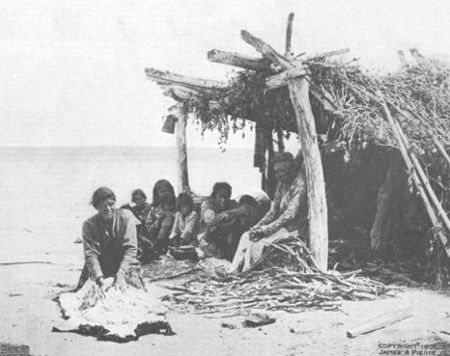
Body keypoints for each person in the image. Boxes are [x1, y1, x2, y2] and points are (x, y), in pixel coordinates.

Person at [230, 152, 307, 273]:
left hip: (294, 229)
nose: (279, 174)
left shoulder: (299, 184)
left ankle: (249, 272)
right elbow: (272, 212)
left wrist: (266, 230)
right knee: (246, 236)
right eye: (276, 171)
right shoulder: (281, 185)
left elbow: (290, 214)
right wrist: (257, 227)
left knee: (257, 243)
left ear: (291, 168)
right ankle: (233, 271)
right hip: (280, 227)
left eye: (282, 170)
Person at [76, 187, 142, 293]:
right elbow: (91, 254)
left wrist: (120, 275)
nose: (108, 209)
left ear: (115, 202)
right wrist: (99, 278)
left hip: (124, 262)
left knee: (130, 291)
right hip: (101, 263)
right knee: (91, 292)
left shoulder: (126, 217)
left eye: (111, 204)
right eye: (103, 206)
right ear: (96, 207)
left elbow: (131, 249)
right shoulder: (89, 225)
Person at [199, 182, 243, 261]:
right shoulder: (207, 204)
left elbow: (244, 211)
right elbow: (212, 219)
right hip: (209, 242)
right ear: (215, 196)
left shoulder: (231, 204)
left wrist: (230, 214)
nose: (223, 200)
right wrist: (230, 215)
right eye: (220, 196)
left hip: (226, 242)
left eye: (226, 197)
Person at [142, 179, 176, 256]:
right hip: (158, 243)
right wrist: (158, 220)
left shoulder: (179, 206)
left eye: (167, 190)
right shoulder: (154, 209)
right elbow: (148, 231)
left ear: (171, 191)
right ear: (157, 194)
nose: (165, 194)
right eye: (161, 192)